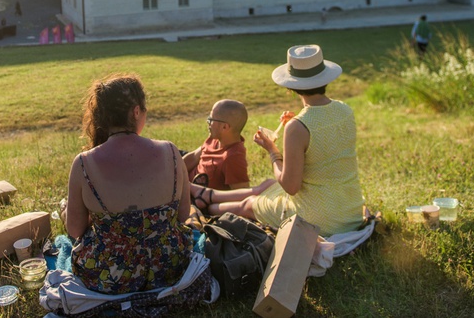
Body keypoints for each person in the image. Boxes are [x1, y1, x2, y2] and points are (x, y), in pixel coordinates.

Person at [190, 45, 365, 236]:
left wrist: (272, 151)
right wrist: (293, 128)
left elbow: (291, 186)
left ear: (291, 86)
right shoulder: (345, 110)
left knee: (249, 205)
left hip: (319, 218)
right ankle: (209, 195)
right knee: (266, 185)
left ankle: (205, 208)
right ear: (324, 77)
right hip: (350, 210)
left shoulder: (298, 127)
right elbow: (325, 147)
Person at [64, 74, 194, 294]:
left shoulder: (84, 164)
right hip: (170, 266)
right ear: (136, 111)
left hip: (111, 276)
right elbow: (183, 216)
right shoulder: (171, 152)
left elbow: (75, 230)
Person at [182, 99, 250, 190]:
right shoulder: (215, 139)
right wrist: (173, 172)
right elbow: (194, 157)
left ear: (224, 127)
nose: (208, 122)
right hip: (183, 183)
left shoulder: (233, 158)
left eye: (211, 119)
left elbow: (242, 194)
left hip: (194, 197)